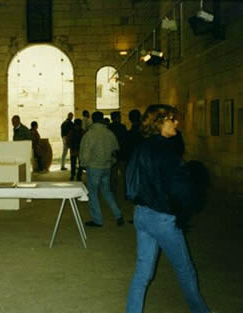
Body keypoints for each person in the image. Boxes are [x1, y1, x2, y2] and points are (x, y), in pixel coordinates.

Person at [125, 104, 209, 313]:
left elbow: (130, 181)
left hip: (141, 215)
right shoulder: (167, 150)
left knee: (142, 273)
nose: (177, 123)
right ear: (160, 122)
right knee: (185, 269)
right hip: (162, 218)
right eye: (172, 119)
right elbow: (180, 188)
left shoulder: (141, 148)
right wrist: (182, 210)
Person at [79, 111, 124, 227]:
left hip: (94, 167)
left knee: (93, 193)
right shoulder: (109, 133)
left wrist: (84, 164)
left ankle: (97, 220)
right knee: (107, 192)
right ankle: (118, 214)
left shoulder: (90, 134)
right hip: (107, 167)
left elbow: (85, 153)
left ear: (93, 120)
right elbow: (115, 150)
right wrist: (111, 162)